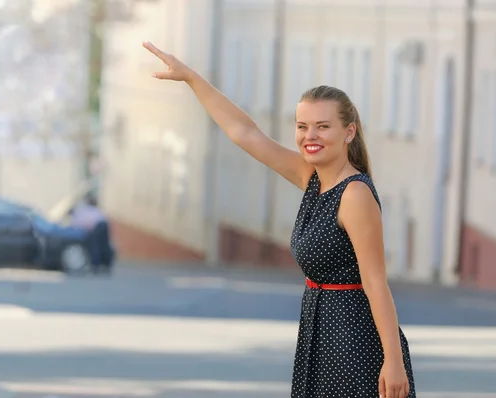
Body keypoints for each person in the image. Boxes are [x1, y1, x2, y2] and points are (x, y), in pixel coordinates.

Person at [142, 41, 416, 398]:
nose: (310, 136)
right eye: (302, 126)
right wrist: (193, 79)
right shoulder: (313, 178)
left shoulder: (355, 194)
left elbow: (376, 282)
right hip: (320, 333)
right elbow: (246, 134)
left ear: (348, 132)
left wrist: (392, 361)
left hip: (355, 341)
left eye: (322, 126)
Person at [70, 196, 115, 274]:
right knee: (105, 245)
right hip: (103, 225)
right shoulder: (94, 210)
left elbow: (79, 226)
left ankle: (95, 266)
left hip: (97, 227)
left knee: (95, 246)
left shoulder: (80, 212)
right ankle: (107, 265)